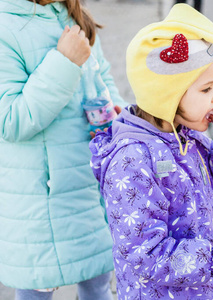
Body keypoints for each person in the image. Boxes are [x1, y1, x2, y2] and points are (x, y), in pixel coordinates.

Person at [89, 4, 213, 299]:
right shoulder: (131, 161)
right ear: (168, 96)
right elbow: (144, 254)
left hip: (211, 290)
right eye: (206, 89)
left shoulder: (188, 138)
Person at [0, 0, 128, 299]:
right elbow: (11, 121)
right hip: (42, 197)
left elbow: (103, 76)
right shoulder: (5, 27)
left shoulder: (71, 14)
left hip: (89, 185)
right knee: (37, 288)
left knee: (98, 280)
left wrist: (116, 109)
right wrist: (64, 62)